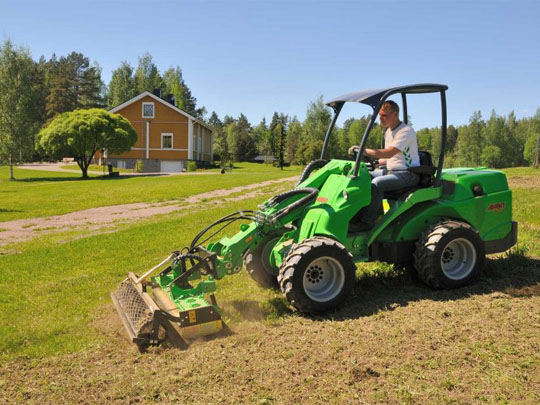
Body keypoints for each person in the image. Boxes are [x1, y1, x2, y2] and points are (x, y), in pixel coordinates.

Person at [350, 100, 420, 231]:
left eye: (384, 115)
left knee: (377, 183)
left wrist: (364, 151)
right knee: (362, 175)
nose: (381, 119)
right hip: (392, 171)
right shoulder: (388, 132)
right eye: (380, 116)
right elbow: (389, 158)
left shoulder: (405, 131)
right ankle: (372, 215)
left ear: (395, 115)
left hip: (408, 174)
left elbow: (390, 153)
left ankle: (367, 222)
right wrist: (373, 162)